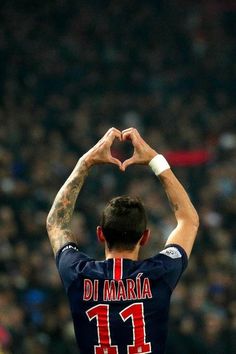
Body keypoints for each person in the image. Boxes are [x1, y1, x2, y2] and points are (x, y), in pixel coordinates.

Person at [46, 127, 199, 354]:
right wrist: (155, 161)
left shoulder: (77, 273)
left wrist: (85, 162)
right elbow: (188, 220)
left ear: (100, 234)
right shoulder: (160, 273)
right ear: (145, 237)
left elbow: (56, 222)